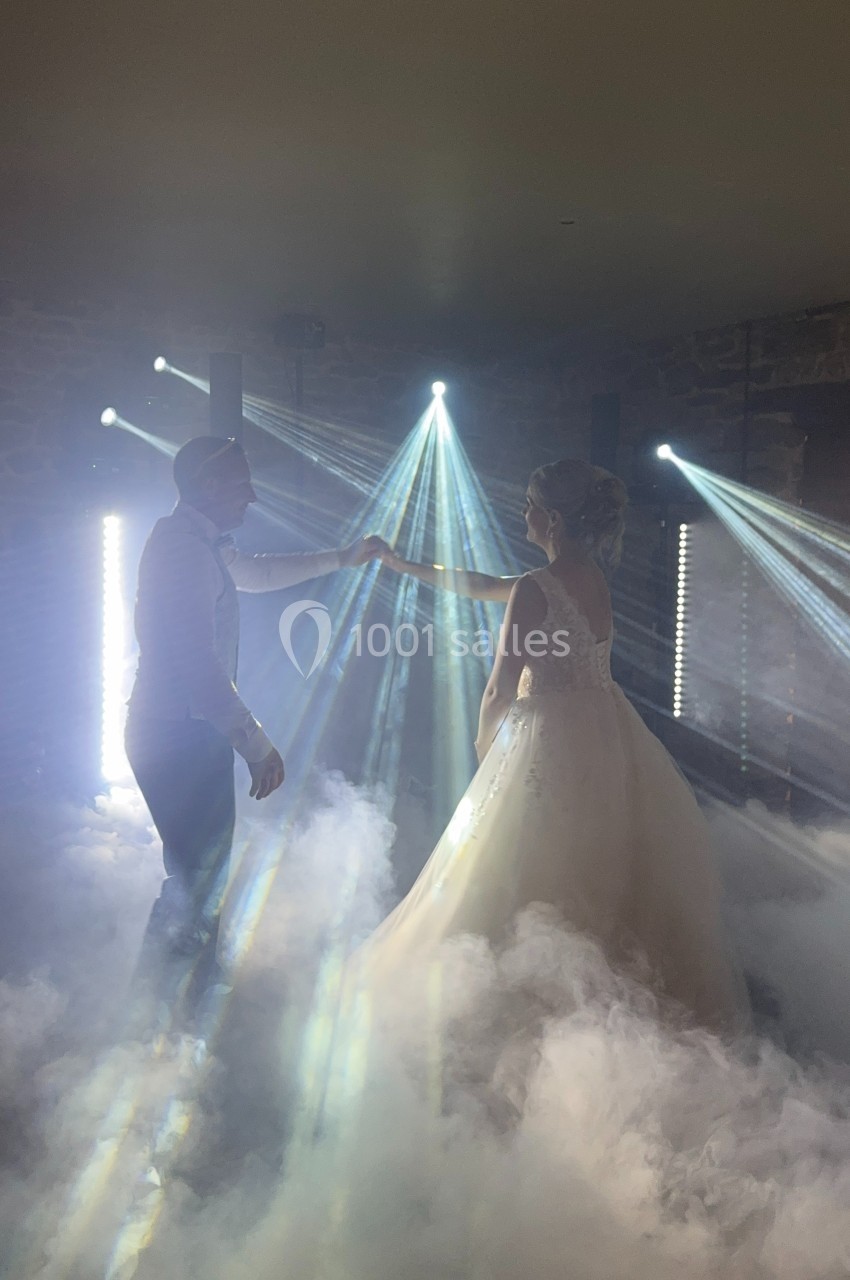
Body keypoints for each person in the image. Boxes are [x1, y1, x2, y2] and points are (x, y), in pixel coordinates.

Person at [368, 458, 747, 1029]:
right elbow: (483, 586)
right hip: (605, 732)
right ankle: (608, 1007)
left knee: (521, 867)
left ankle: (529, 1008)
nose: (522, 513)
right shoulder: (588, 575)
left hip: (547, 734)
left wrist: (484, 746)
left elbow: (498, 687)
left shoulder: (536, 587)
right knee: (602, 865)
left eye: (529, 505)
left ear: (551, 518)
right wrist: (403, 564)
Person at [125, 435, 385, 1035]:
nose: (252, 494)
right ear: (209, 485)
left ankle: (179, 1005)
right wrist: (257, 744)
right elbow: (198, 668)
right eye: (242, 482)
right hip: (175, 738)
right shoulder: (183, 551)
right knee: (198, 879)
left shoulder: (198, 544)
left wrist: (343, 558)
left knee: (199, 876)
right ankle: (167, 1016)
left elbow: (258, 572)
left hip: (183, 735)